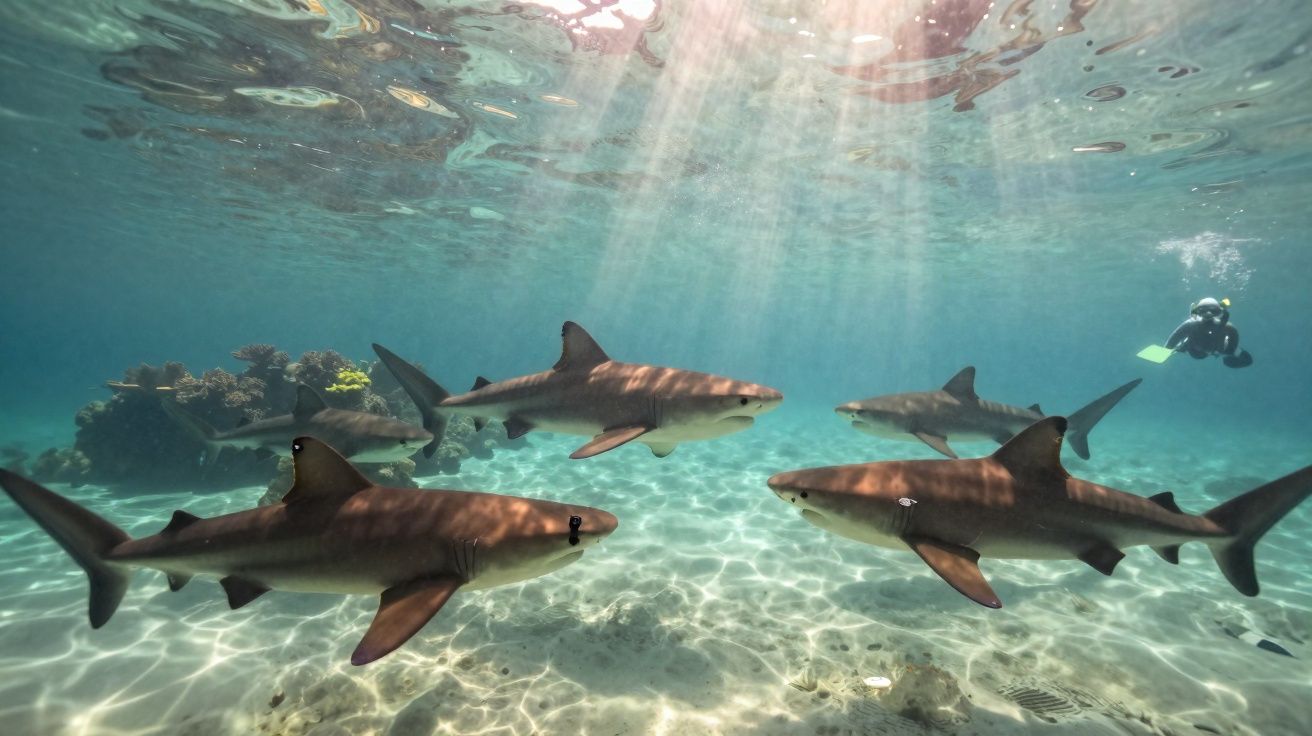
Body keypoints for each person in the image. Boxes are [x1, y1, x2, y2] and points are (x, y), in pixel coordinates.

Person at [1165, 297, 1252, 368]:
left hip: (1209, 348)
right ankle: (1182, 346)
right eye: (1203, 311)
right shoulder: (1192, 324)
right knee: (1194, 352)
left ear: (1219, 312)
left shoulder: (1225, 327)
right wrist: (1167, 349)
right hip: (1198, 349)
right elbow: (1176, 336)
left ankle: (1182, 346)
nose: (1208, 314)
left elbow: (1176, 336)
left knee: (1195, 352)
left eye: (1213, 311)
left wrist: (1231, 350)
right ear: (1198, 312)